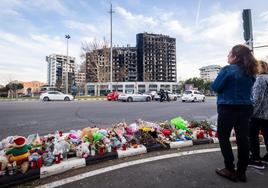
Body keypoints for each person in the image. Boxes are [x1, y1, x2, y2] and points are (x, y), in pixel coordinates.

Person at [211, 44, 258, 182]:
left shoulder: (227, 69)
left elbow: (216, 87)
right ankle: (241, 172)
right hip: (246, 108)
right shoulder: (250, 71)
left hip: (228, 108)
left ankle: (229, 169)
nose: (227, 56)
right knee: (243, 139)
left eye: (229, 53)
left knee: (224, 137)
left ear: (235, 56)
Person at [248, 60, 268, 169]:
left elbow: (257, 99)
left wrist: (250, 114)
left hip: (258, 115)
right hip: (267, 115)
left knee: (252, 136)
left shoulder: (260, 79)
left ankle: (256, 159)